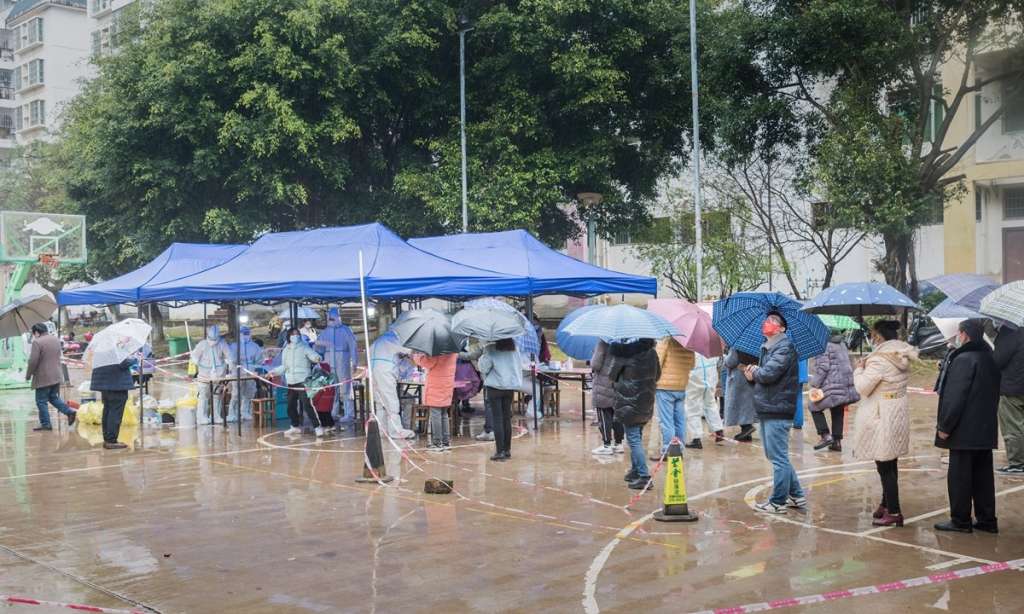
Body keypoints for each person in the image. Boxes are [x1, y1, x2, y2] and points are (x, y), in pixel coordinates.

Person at [934, 319, 1001, 534]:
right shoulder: (989, 357)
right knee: (983, 477)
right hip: (984, 426)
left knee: (960, 477)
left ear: (964, 335)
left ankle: (960, 520)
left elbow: (955, 397)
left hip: (964, 429)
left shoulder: (964, 359)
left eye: (959, 334)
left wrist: (945, 426)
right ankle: (986, 519)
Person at [851, 320, 914, 527]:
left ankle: (894, 511)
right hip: (895, 412)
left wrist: (859, 370)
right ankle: (886, 503)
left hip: (881, 415)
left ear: (878, 336)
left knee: (884, 464)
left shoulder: (879, 360)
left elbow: (863, 388)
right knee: (889, 459)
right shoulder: (900, 354)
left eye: (872, 334)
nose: (871, 337)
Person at [745, 312, 805, 514]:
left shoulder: (784, 347)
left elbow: (769, 374)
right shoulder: (769, 347)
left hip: (778, 409)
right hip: (768, 407)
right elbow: (763, 377)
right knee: (776, 456)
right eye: (767, 319)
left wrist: (755, 372)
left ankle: (778, 502)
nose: (767, 323)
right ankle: (796, 495)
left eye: (773, 321)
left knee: (778, 458)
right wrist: (752, 374)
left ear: (782, 329)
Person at [609, 338, 660, 490]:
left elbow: (612, 376)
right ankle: (635, 470)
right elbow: (657, 375)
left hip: (628, 402)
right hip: (645, 400)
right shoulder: (652, 352)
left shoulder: (622, 353)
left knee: (633, 439)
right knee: (636, 435)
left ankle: (644, 476)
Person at [809, 330, 860, 452]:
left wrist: (815, 384)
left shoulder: (822, 345)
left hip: (831, 383)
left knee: (813, 406)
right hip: (844, 383)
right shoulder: (841, 343)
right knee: (838, 409)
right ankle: (837, 442)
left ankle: (825, 435)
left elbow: (823, 367)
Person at [271, 327, 324, 437]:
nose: (296, 336)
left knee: (307, 405)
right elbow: (284, 366)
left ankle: (317, 426)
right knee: (290, 405)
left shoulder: (304, 347)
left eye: (297, 334)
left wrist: (317, 358)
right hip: (291, 381)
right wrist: (273, 372)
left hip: (303, 381)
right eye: (293, 334)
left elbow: (313, 355)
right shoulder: (286, 350)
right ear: (289, 336)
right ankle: (294, 426)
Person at [25, 322, 76, 431]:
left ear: (37, 332)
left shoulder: (37, 342)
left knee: (41, 401)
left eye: (34, 333)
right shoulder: (55, 340)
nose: (34, 335)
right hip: (56, 375)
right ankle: (69, 412)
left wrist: (28, 375)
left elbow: (33, 361)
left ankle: (46, 424)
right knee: (53, 397)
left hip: (43, 377)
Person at [479, 338, 523, 461]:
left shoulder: (490, 348)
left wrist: (483, 353)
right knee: (506, 418)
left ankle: (500, 451)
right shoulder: (514, 348)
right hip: (509, 387)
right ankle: (507, 450)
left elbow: (483, 368)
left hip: (495, 386)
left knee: (497, 419)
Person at [369, 331, 416, 440]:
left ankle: (382, 430)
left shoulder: (378, 341)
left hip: (373, 371)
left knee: (380, 403)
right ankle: (396, 431)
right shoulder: (394, 339)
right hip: (385, 372)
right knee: (391, 402)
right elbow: (410, 352)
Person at [315, 308, 358, 424]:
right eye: (330, 317)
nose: (331, 320)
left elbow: (353, 346)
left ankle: (349, 413)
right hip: (329, 362)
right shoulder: (325, 332)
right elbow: (318, 348)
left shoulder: (346, 330)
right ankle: (333, 412)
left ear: (338, 317)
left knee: (345, 388)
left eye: (333, 317)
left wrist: (354, 361)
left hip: (342, 361)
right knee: (332, 388)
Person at [652, 337, 693, 457]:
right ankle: (678, 449)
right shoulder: (689, 343)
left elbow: (657, 361)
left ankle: (668, 450)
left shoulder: (666, 340)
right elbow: (692, 365)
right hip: (681, 386)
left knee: (667, 421)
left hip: (665, 386)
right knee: (680, 420)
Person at [993, 323, 1024, 475]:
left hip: (1013, 387)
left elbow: (998, 360)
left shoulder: (1010, 330)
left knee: (1013, 427)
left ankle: (1017, 463)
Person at [412, 352, 458, 451]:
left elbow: (428, 363)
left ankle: (437, 442)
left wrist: (416, 356)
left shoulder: (438, 351)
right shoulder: (453, 351)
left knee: (435, 414)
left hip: (436, 385)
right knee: (444, 414)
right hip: (447, 384)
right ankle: (446, 442)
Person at [191, 325, 233, 425]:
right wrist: (195, 360)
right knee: (203, 397)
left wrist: (230, 365)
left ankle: (216, 416)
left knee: (217, 396)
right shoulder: (202, 344)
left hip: (219, 374)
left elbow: (229, 356)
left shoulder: (222, 344)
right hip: (204, 375)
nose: (213, 341)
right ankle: (202, 417)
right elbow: (194, 356)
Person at [90, 358, 133, 449]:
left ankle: (107, 438)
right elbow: (123, 363)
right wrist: (133, 359)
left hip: (105, 384)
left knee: (108, 410)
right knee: (115, 412)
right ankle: (111, 440)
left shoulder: (101, 349)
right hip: (116, 384)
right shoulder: (115, 348)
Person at [684, 353, 725, 449]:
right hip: (710, 379)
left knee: (692, 409)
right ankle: (718, 430)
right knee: (711, 405)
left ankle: (696, 438)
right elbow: (719, 363)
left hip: (694, 379)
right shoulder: (710, 348)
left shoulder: (689, 349)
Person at [591, 340, 624, 455]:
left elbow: (595, 364)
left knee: (604, 414)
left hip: (603, 384)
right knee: (617, 415)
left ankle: (606, 445)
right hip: (618, 384)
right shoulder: (624, 344)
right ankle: (619, 444)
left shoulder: (603, 342)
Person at [228, 326, 263, 422]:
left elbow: (259, 360)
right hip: (237, 373)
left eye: (247, 334)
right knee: (235, 394)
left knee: (249, 393)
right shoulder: (234, 346)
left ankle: (245, 412)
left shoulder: (255, 347)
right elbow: (230, 359)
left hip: (250, 373)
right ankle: (232, 413)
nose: (245, 336)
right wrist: (233, 366)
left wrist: (255, 369)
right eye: (243, 334)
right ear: (239, 334)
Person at [723, 348, 757, 441]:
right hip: (750, 375)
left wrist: (725, 359)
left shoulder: (737, 346)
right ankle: (746, 431)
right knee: (747, 403)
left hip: (738, 377)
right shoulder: (756, 345)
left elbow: (731, 362)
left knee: (738, 403)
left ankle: (746, 428)